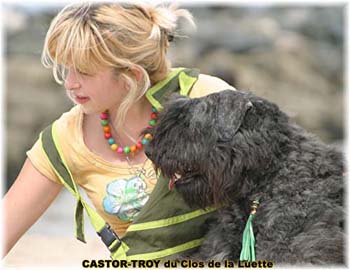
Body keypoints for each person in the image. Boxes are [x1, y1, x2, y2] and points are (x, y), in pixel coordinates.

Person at [3, 2, 235, 257]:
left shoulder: (207, 99)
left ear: (132, 76)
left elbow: (277, 187)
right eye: (66, 68)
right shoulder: (66, 139)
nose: (69, 83)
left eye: (83, 71)